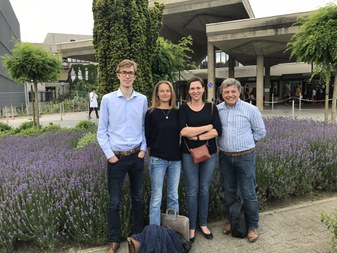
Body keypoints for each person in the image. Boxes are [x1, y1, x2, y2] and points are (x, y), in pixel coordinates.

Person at [97, 59, 147, 253]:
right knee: (114, 201)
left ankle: (137, 237)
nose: (128, 75)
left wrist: (143, 150)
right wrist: (110, 156)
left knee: (138, 199)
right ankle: (114, 240)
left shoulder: (142, 99)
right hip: (116, 158)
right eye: (124, 72)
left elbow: (145, 127)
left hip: (136, 156)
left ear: (135, 76)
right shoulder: (108, 99)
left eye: (131, 72)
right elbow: (102, 131)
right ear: (118, 74)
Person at [217, 78, 266, 243]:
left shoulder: (250, 109)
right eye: (226, 92)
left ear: (239, 92)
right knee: (229, 192)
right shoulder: (217, 110)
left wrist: (246, 143)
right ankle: (233, 221)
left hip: (245, 157)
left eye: (233, 91)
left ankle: (253, 225)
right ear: (222, 93)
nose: (230, 95)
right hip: (224, 157)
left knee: (248, 193)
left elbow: (260, 132)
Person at [178, 77, 222, 243]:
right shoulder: (183, 109)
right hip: (189, 154)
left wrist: (194, 134)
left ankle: (203, 223)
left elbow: (218, 130)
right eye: (192, 88)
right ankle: (191, 226)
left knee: (204, 188)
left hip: (209, 154)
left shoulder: (212, 108)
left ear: (203, 89)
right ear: (188, 91)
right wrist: (206, 129)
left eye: (198, 88)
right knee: (192, 190)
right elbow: (183, 131)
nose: (195, 91)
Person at [145, 80, 181, 225]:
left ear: (171, 93)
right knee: (156, 197)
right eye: (162, 91)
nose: (165, 93)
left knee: (173, 196)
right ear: (157, 94)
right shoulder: (150, 113)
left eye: (168, 90)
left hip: (175, 160)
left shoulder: (178, 112)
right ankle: (155, 232)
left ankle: (173, 231)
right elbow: (146, 137)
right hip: (157, 160)